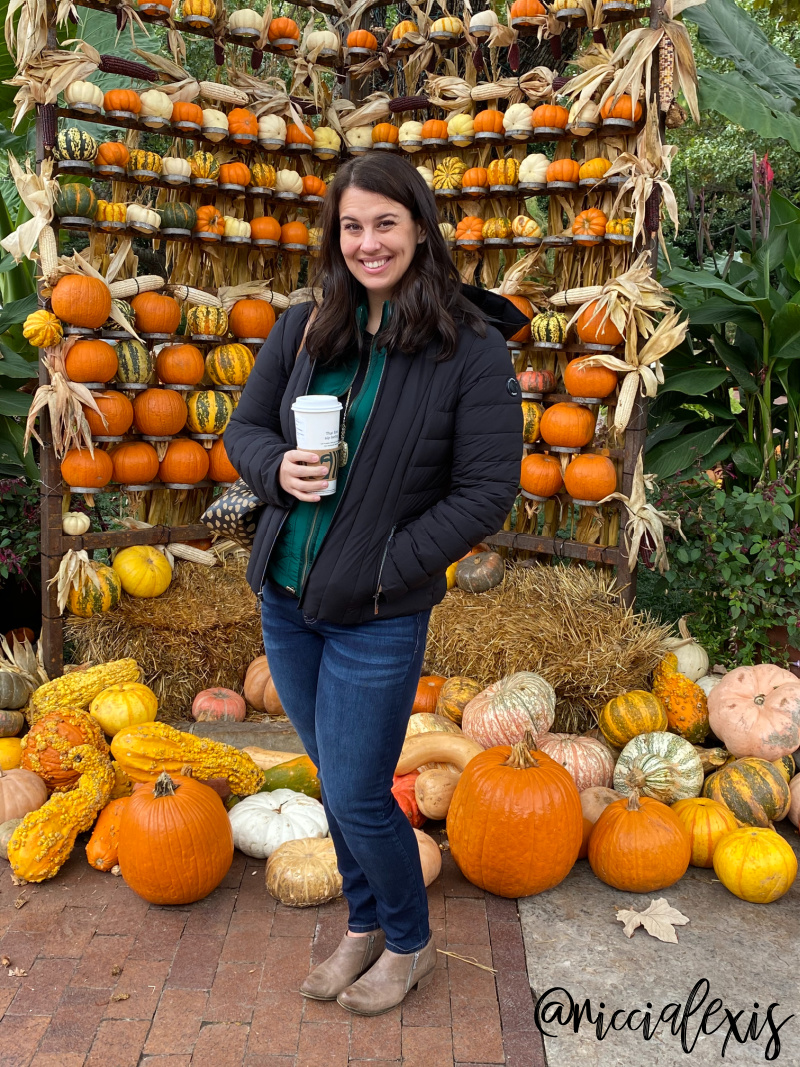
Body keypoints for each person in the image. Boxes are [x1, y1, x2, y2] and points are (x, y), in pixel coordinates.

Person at [224, 153, 525, 1016]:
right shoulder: (306, 328)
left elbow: (485, 492)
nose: (368, 242)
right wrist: (277, 467)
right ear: (335, 236)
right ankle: (365, 923)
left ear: (420, 228)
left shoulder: (469, 351)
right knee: (338, 780)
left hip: (380, 614)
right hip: (287, 600)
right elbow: (244, 430)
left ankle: (408, 942)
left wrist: (393, 563)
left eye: (385, 223)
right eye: (352, 226)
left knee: (358, 790)